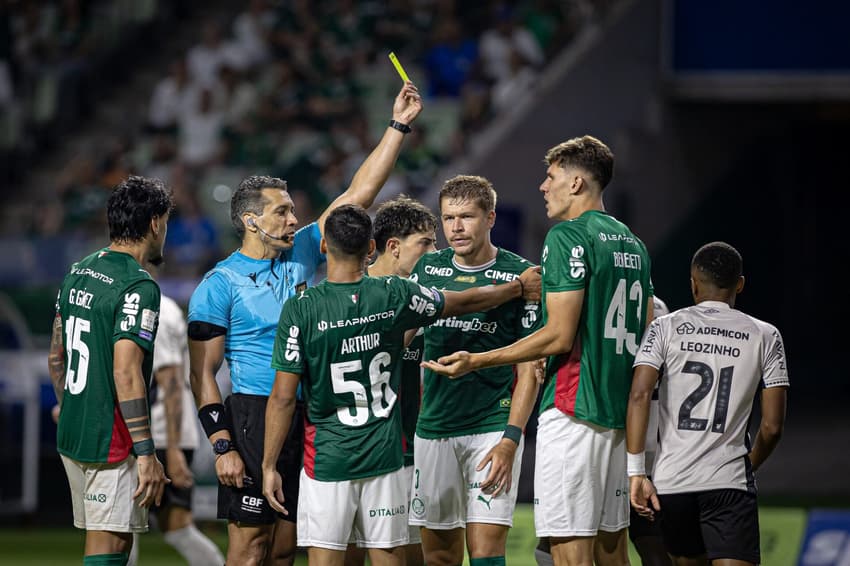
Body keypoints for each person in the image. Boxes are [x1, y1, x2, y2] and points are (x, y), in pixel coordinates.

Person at [188, 81, 423, 566]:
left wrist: (398, 125)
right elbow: (201, 374)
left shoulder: (299, 252)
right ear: (251, 222)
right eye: (283, 211)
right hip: (254, 415)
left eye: (294, 209)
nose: (296, 218)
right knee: (249, 547)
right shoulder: (219, 284)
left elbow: (359, 195)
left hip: (310, 412)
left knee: (285, 549)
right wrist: (222, 445)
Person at [261, 204, 540, 566]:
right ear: (372, 250)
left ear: (325, 247)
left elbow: (283, 398)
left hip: (328, 459)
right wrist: (516, 287)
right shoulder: (394, 294)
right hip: (386, 458)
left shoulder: (302, 308)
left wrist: (269, 465)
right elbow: (462, 301)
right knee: (392, 558)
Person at [423, 136, 653, 566]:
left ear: (578, 183)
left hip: (573, 409)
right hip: (616, 415)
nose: (543, 187)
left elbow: (558, 337)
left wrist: (481, 359)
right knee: (613, 553)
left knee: (569, 555)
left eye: (551, 178)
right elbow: (649, 324)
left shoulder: (567, 236)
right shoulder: (632, 244)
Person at [627, 242, 789, 566]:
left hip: (672, 484)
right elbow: (771, 427)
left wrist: (636, 474)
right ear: (739, 284)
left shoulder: (665, 327)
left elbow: (640, 395)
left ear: (693, 282)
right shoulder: (765, 335)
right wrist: (747, 467)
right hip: (728, 481)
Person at [409, 175, 543, 566]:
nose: (456, 227)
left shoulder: (522, 274)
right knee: (439, 557)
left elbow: (531, 367)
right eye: (448, 218)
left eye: (467, 217)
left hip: (491, 425)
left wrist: (510, 439)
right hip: (433, 426)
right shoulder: (427, 269)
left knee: (485, 553)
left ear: (491, 218)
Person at [48, 176, 172, 566]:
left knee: (111, 547)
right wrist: (147, 452)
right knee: (109, 547)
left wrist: (67, 405)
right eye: (165, 222)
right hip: (111, 441)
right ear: (155, 223)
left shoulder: (78, 271)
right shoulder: (139, 286)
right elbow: (126, 373)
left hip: (74, 430)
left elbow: (57, 356)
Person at [533, 296, 673, 566]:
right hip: (638, 452)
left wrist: (480, 360)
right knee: (624, 547)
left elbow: (560, 337)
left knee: (564, 544)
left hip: (596, 427)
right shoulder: (657, 317)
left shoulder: (595, 312)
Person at [344, 195, 439, 566]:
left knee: (416, 558)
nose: (435, 252)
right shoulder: (352, 299)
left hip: (411, 455)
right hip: (354, 451)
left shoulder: (424, 301)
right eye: (427, 242)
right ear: (394, 247)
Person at [147, 290, 226, 565]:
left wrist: (172, 450)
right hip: (161, 435)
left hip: (160, 436)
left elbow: (169, 381)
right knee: (175, 528)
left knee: (124, 525)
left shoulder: (158, 310)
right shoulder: (158, 305)